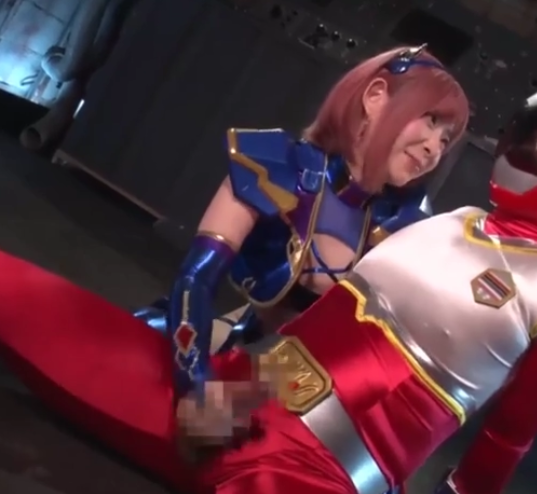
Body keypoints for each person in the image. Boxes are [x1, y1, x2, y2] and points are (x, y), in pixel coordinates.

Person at [0, 82, 537, 494]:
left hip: (318, 469)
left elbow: (507, 439)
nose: (530, 153)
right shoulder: (447, 221)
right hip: (230, 399)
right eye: (532, 134)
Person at [133, 44, 470, 400]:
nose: (435, 148)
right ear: (375, 96)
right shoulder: (274, 168)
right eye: (431, 121)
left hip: (293, 386)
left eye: (445, 139)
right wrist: (196, 384)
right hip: (215, 355)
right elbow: (195, 279)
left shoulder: (404, 226)